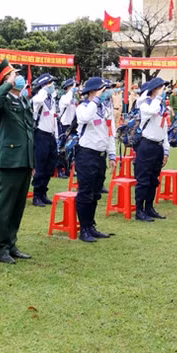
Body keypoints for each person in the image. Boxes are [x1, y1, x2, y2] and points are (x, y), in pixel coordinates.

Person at [0, 60, 34, 264]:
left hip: (24, 159)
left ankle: (11, 243)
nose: (20, 78)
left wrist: (32, 160)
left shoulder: (23, 100)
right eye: (16, 75)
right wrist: (7, 84)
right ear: (6, 79)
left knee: (17, 207)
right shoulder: (2, 100)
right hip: (10, 160)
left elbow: (29, 131)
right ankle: (0, 248)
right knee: (5, 206)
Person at [74, 77, 115, 242]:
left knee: (96, 192)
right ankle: (84, 228)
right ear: (93, 91)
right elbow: (84, 118)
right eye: (103, 90)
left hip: (100, 155)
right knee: (85, 192)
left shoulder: (104, 109)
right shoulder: (83, 107)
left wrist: (112, 154)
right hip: (86, 154)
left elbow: (110, 132)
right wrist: (95, 99)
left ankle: (91, 225)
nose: (106, 93)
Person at [134, 77, 170, 221]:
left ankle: (149, 207)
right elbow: (151, 110)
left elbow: (164, 129)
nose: (163, 90)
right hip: (146, 145)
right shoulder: (145, 104)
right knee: (143, 179)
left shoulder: (160, 106)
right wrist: (157, 97)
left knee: (154, 179)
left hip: (158, 145)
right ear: (154, 89)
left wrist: (166, 149)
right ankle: (139, 210)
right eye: (161, 88)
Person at [30, 73, 58, 207]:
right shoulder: (39, 98)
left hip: (51, 135)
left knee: (50, 165)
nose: (53, 86)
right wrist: (43, 89)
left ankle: (43, 192)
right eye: (50, 83)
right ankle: (36, 195)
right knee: (40, 166)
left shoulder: (51, 99)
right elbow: (36, 101)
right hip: (40, 135)